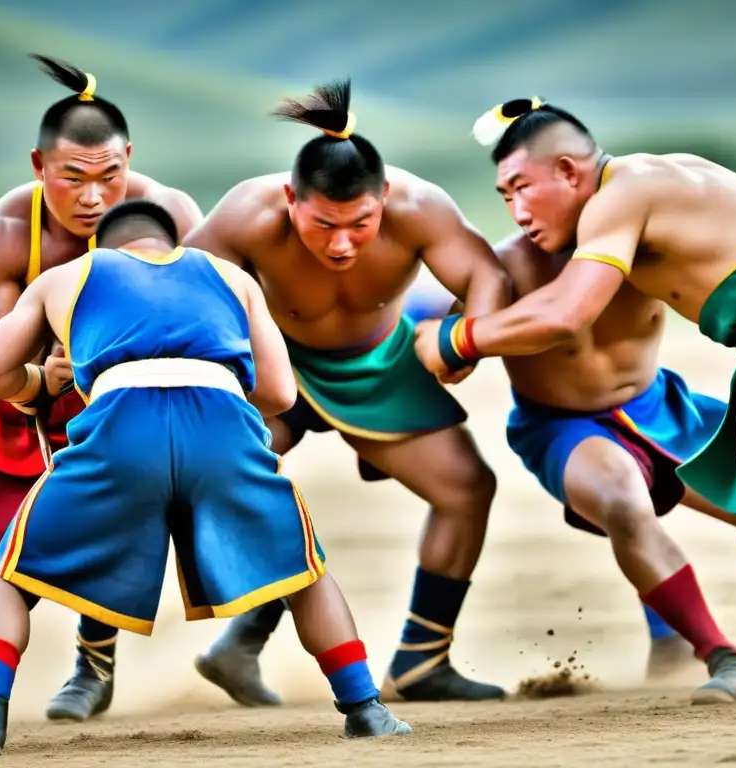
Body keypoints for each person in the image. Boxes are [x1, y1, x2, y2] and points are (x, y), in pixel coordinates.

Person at [413, 96, 736, 719]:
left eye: (522, 187)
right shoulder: (647, 183)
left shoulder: (622, 194)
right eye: (502, 194)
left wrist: (456, 338)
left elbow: (568, 312)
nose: (515, 209)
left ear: (570, 171)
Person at [0, 200, 412, 763]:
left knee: (8, 572)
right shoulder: (230, 276)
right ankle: (365, 707)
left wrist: (41, 380)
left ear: (108, 248)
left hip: (118, 423)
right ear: (172, 243)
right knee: (305, 570)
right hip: (220, 422)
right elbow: (281, 395)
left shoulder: (68, 276)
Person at [0, 55, 204, 724]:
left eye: (109, 177)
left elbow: (214, 319)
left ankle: (97, 658)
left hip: (133, 413)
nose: (93, 198)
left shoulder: (173, 214)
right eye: (73, 179)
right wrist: (41, 378)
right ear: (38, 166)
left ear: (129, 160)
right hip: (16, 409)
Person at [182, 78, 511, 705]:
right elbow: (177, 291)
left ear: (384, 197)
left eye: (360, 223)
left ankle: (421, 660)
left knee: (467, 487)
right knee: (235, 476)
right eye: (323, 224)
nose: (341, 243)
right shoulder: (247, 216)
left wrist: (467, 338)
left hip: (381, 361)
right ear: (290, 199)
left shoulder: (421, 207)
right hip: (276, 366)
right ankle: (241, 639)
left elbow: (484, 272)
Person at [484, 230, 736, 702]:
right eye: (511, 190)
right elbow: (443, 340)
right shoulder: (503, 264)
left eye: (529, 186)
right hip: (561, 423)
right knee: (625, 502)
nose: (522, 207)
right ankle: (717, 651)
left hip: (664, 404)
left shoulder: (650, 243)